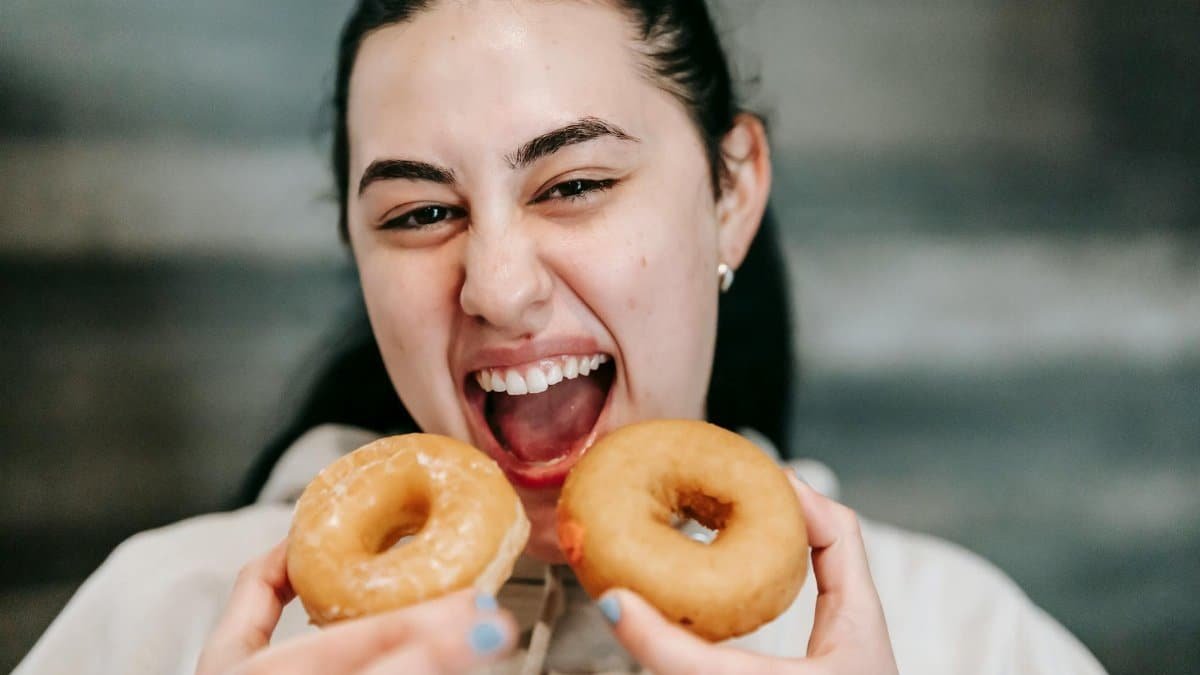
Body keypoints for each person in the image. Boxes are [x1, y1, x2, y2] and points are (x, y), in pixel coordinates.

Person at [16, 2, 1108, 674]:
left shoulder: (966, 641)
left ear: (732, 191)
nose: (496, 285)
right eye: (417, 213)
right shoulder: (155, 623)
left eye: (575, 183)